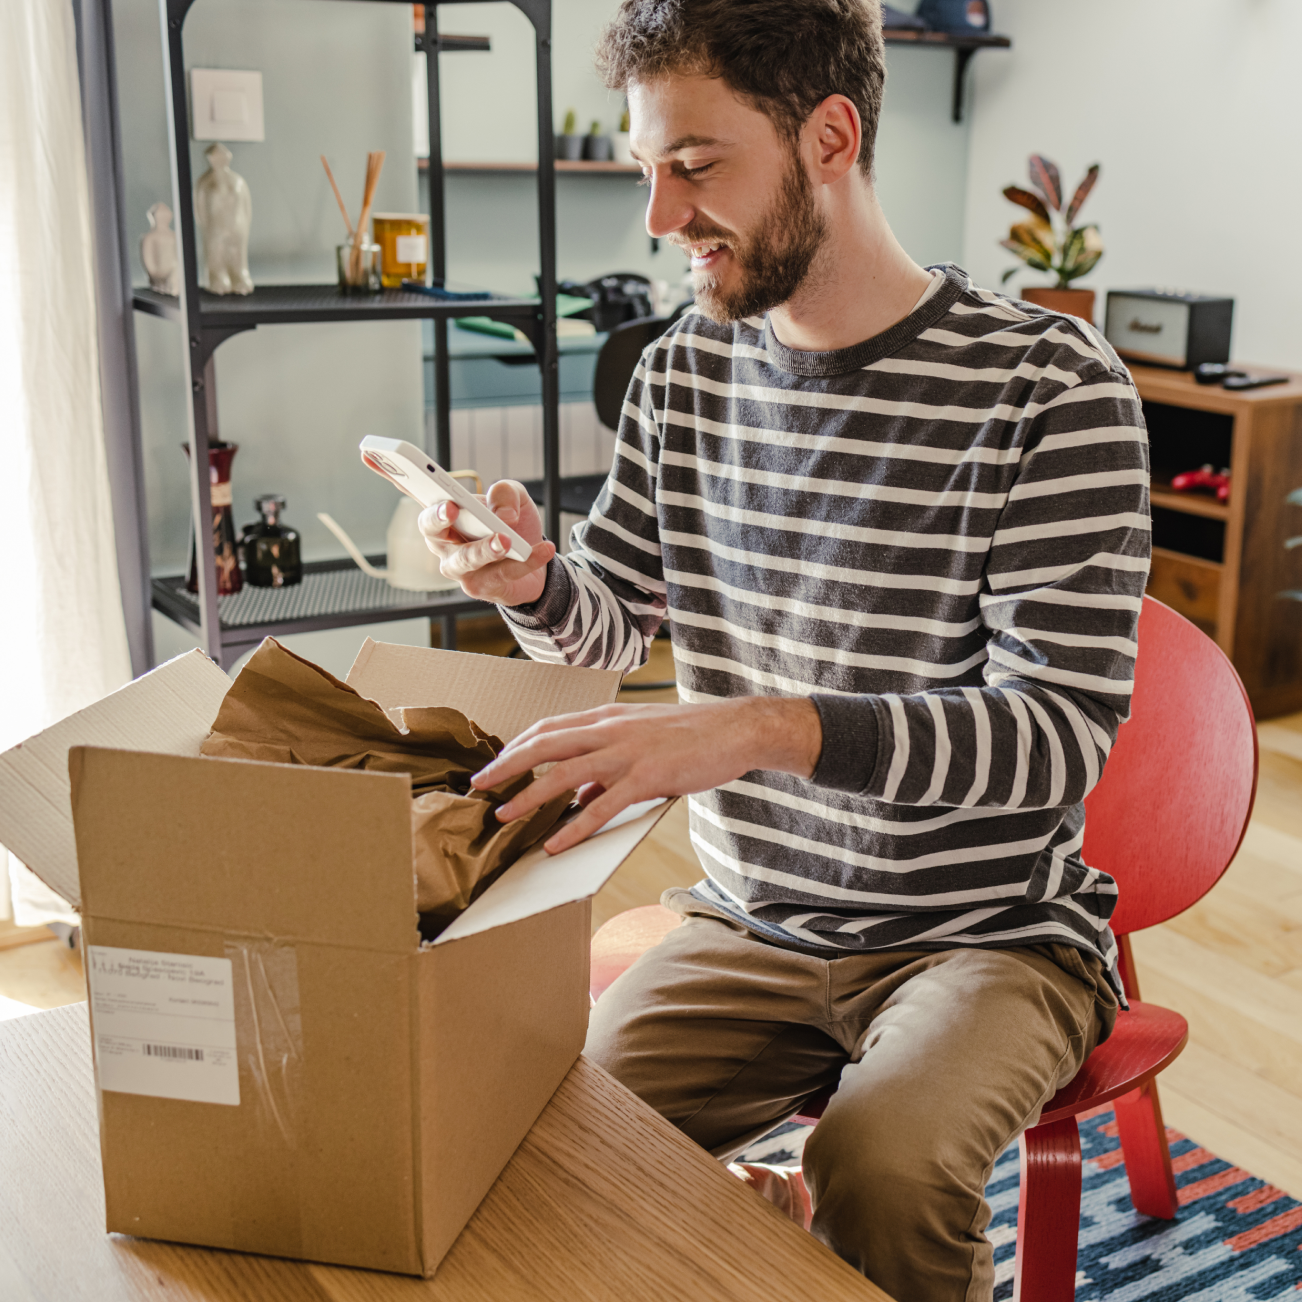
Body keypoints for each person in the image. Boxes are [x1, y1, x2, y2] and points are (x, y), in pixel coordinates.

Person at [419, 2, 1149, 1297]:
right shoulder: (682, 370)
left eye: (694, 166)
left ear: (827, 137)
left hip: (983, 931)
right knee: (529, 1136)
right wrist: (530, 577)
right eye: (647, 170)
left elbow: (1054, 738)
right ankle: (756, 1224)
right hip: (750, 920)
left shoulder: (1052, 386)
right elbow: (608, 623)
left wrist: (761, 724)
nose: (658, 218)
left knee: (885, 1158)